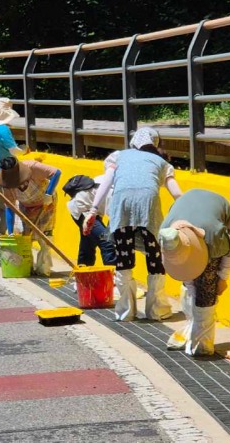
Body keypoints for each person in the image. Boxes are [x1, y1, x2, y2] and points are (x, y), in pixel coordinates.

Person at [83, 127, 183, 321]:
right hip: (148, 204)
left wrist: (93, 211)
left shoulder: (118, 156)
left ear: (134, 140)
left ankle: (126, 312)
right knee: (154, 257)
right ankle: (156, 310)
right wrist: (187, 211)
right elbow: (177, 193)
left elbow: (106, 182)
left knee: (124, 257)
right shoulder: (162, 162)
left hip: (122, 205)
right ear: (155, 143)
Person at [159, 189, 230, 356]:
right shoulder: (166, 233)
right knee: (191, 285)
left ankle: (203, 345)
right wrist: (189, 283)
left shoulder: (213, 236)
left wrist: (223, 278)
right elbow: (182, 268)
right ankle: (193, 332)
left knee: (207, 288)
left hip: (213, 221)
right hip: (189, 220)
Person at [0, 157, 62, 276]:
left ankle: (43, 267)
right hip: (25, 206)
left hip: (46, 203)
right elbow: (10, 207)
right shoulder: (6, 184)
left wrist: (48, 193)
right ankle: (27, 266)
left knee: (44, 236)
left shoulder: (33, 166)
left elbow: (56, 173)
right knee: (25, 236)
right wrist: (10, 231)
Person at [0, 98, 26, 246]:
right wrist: (24, 151)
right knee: (7, 204)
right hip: (4, 173)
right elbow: (13, 149)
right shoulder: (4, 130)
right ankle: (0, 234)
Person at [64, 174, 117, 267]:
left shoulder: (118, 180)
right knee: (107, 242)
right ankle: (112, 277)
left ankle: (84, 275)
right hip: (82, 209)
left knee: (88, 243)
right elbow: (113, 222)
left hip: (89, 208)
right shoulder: (118, 195)